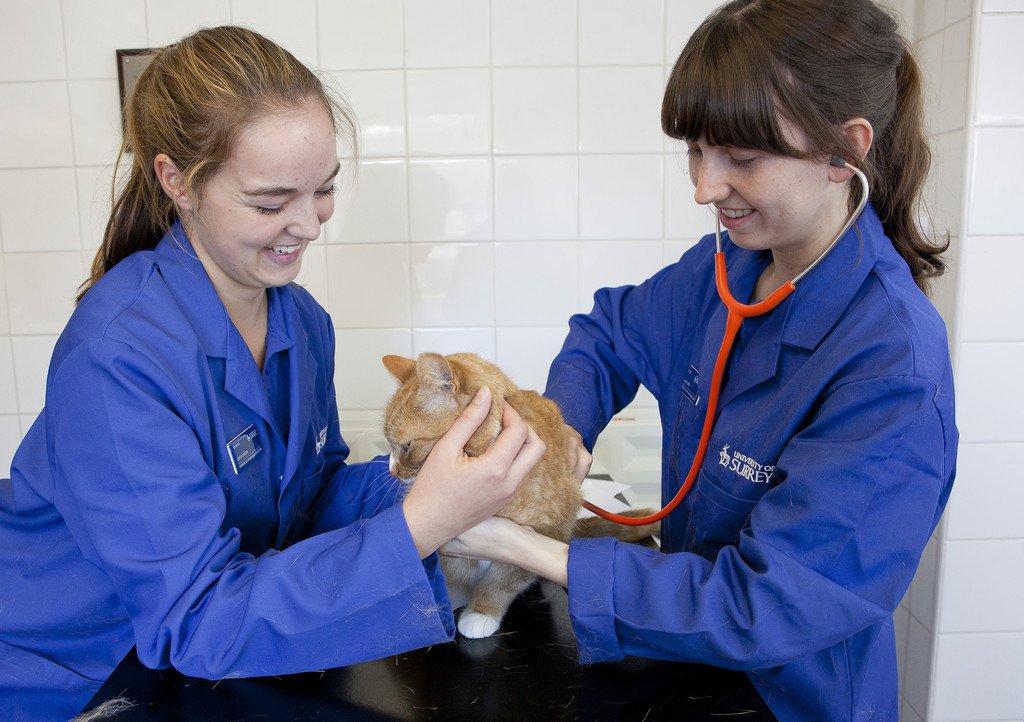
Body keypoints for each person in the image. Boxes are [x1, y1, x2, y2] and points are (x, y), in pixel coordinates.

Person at [0, 26, 544, 721]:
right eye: (270, 202)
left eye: (324, 190)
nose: (310, 225)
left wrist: (449, 478)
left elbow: (309, 499)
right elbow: (192, 619)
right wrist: (420, 521)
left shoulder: (302, 323)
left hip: (210, 661)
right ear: (177, 181)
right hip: (79, 672)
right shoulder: (116, 356)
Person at [442, 1, 958, 720]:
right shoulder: (727, 268)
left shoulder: (892, 365)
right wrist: (561, 437)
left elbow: (767, 606)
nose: (704, 188)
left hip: (787, 698)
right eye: (696, 150)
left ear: (845, 152)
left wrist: (527, 547)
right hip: (684, 662)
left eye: (741, 158)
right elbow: (608, 333)